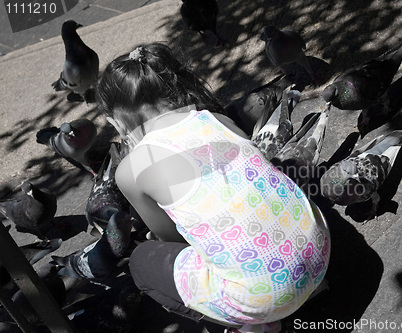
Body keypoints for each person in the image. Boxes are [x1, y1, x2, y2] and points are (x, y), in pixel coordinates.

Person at [96, 42, 331, 333]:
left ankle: (249, 325)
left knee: (142, 262)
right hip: (319, 253)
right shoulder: (217, 120)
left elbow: (172, 240)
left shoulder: (131, 170)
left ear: (116, 122)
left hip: (268, 297)